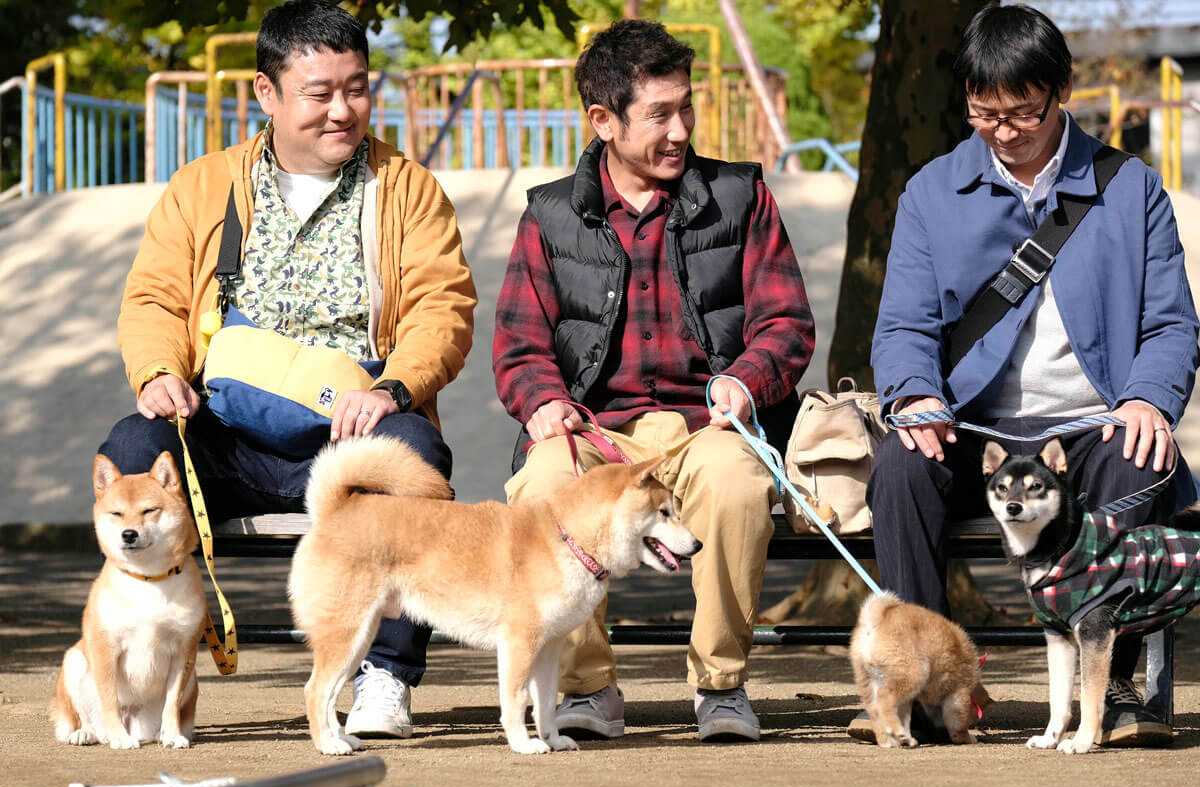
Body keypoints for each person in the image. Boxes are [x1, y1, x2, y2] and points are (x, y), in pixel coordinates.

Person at [99, 0, 476, 741]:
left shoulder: (408, 190)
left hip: (351, 427)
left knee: (414, 455)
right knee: (133, 451)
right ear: (266, 95)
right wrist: (156, 373)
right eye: (320, 93)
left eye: (358, 88)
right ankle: (145, 669)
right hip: (224, 426)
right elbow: (153, 298)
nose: (344, 110)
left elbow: (443, 307)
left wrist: (392, 389)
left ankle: (385, 678)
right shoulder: (203, 187)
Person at [866, 4, 1199, 746]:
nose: (1004, 130)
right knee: (898, 468)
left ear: (1062, 91)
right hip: (974, 424)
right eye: (984, 114)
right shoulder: (932, 191)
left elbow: (1172, 322)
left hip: (1092, 423)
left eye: (1023, 112)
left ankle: (1108, 684)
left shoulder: (1129, 187)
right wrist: (916, 393)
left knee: (1137, 453)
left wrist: (1148, 398)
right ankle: (925, 684)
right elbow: (903, 329)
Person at [492, 19, 814, 743]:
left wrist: (746, 379)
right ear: (603, 121)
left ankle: (721, 684)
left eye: (686, 108)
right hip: (593, 429)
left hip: (705, 427)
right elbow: (518, 343)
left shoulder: (741, 195)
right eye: (659, 114)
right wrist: (543, 402)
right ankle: (585, 687)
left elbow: (787, 325)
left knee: (735, 488)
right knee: (541, 491)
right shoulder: (549, 213)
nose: (680, 129)